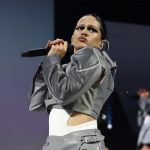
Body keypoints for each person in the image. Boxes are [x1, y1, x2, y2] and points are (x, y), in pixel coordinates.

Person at [28, 13, 117, 150]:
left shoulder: (93, 55)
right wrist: (48, 61)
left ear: (101, 43)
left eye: (92, 29)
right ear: (72, 37)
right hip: (55, 143)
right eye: (80, 28)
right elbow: (35, 103)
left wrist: (53, 59)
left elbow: (64, 93)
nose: (84, 32)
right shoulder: (62, 70)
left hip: (79, 143)